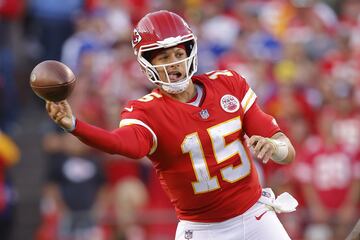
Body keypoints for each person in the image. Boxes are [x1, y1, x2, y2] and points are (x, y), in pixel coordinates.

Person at [46, 10, 297, 240]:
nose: (174, 63)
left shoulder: (228, 84)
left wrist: (274, 145)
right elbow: (121, 144)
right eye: (164, 56)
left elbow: (287, 151)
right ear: (148, 64)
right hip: (202, 230)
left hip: (256, 216)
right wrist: (75, 125)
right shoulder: (146, 111)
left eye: (178, 54)